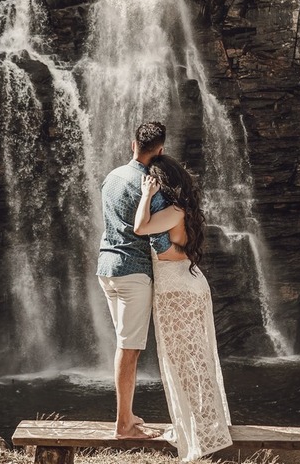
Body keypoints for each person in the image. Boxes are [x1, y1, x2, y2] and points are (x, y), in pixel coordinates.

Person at [134, 154, 232, 461]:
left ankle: (201, 435)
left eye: (152, 179)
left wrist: (146, 195)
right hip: (186, 285)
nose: (148, 183)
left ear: (160, 182)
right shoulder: (181, 209)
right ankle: (199, 428)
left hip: (178, 291)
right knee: (192, 360)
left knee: (186, 363)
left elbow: (140, 227)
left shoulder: (173, 211)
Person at [97, 121, 169, 439]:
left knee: (125, 344)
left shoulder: (111, 177)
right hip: (133, 273)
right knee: (129, 349)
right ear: (160, 151)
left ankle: (127, 415)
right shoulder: (149, 186)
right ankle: (124, 425)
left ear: (133, 144)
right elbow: (159, 239)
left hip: (107, 268)